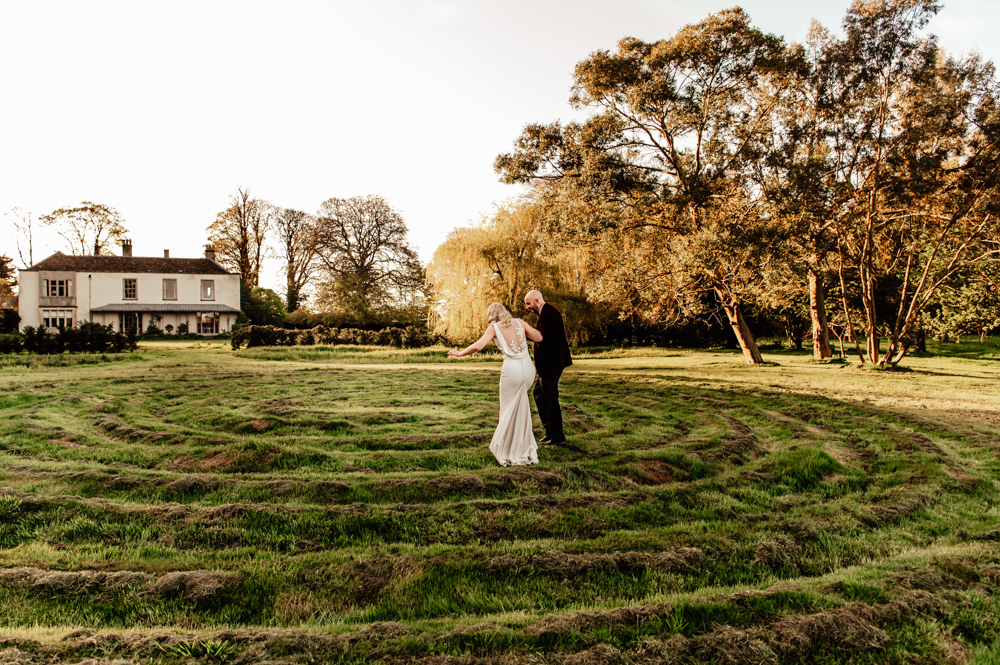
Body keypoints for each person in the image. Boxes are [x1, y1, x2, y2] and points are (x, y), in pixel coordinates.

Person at [447, 303, 544, 466]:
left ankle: (508, 449)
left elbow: (477, 346)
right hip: (528, 369)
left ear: (491, 315)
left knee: (508, 409)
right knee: (521, 406)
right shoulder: (520, 322)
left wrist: (460, 353)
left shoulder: (493, 328)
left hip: (512, 370)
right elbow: (539, 338)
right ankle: (522, 447)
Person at [524, 290, 572, 445]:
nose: (527, 307)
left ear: (537, 300)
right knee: (539, 395)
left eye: (529, 303)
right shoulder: (544, 313)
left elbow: (542, 337)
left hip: (552, 364)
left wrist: (521, 333)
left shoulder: (548, 314)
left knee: (550, 399)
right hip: (547, 365)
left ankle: (558, 437)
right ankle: (550, 432)